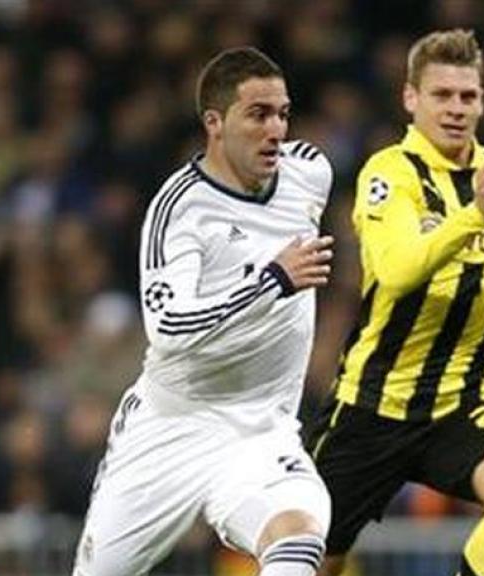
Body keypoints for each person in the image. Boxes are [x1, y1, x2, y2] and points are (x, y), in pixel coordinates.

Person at [73, 47, 336, 576]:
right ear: (214, 123)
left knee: (300, 536)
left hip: (262, 431)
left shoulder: (310, 174)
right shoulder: (181, 209)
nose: (276, 130)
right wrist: (271, 281)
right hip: (171, 429)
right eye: (258, 114)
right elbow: (170, 329)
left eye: (283, 113)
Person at [305, 29, 484, 576]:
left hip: (459, 401)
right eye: (442, 95)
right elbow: (395, 273)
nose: (456, 109)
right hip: (371, 405)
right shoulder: (388, 175)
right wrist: (472, 216)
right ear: (410, 99)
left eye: (468, 96)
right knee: (317, 558)